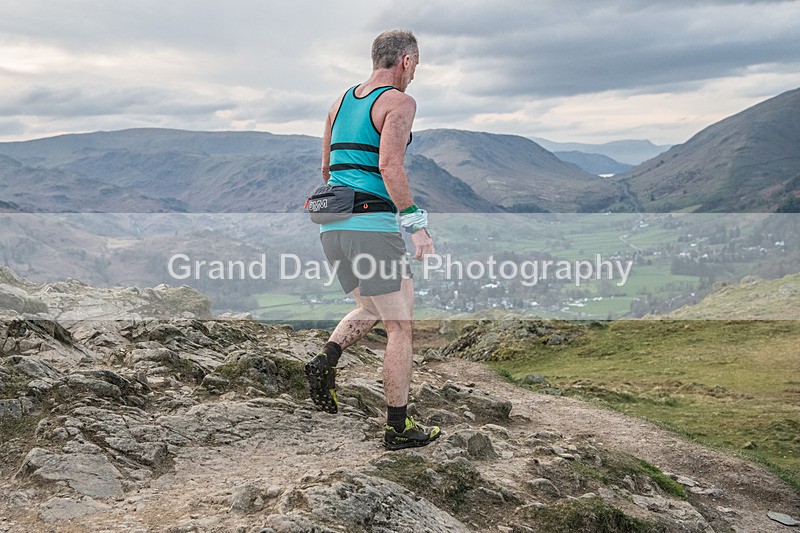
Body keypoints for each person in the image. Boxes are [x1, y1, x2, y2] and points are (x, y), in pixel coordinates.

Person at [304, 29, 441, 450]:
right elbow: (389, 166)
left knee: (369, 306)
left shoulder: (339, 103)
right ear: (405, 61)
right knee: (401, 326)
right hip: (371, 227)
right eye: (415, 65)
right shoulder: (399, 102)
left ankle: (325, 361)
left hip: (333, 226)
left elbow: (327, 170)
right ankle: (397, 427)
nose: (414, 74)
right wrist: (415, 224)